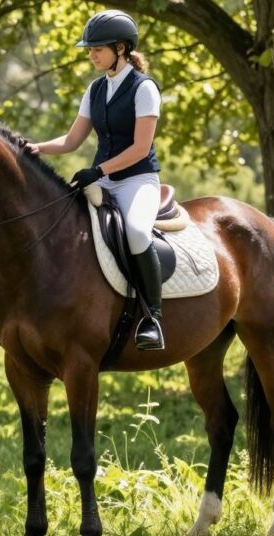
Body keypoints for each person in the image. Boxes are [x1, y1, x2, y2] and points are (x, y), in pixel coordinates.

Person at [25, 9, 165, 351]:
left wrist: (99, 171)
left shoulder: (144, 88)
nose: (91, 54)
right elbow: (72, 140)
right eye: (90, 49)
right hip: (101, 180)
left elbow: (140, 148)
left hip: (137, 180)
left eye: (97, 48)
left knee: (134, 232)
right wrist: (34, 148)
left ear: (121, 48)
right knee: (60, 224)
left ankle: (153, 317)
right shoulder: (96, 88)